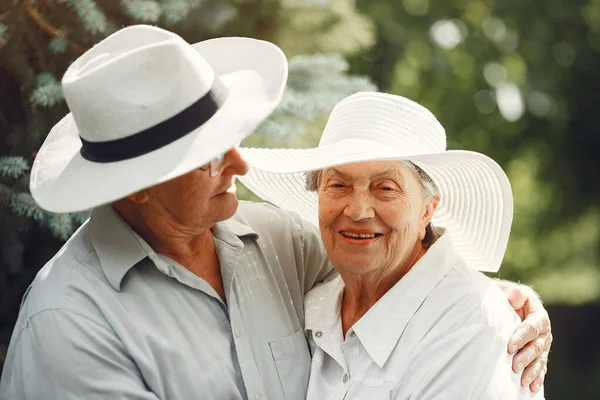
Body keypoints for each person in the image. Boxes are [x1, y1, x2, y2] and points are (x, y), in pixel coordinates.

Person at [0, 26, 550, 400]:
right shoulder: (70, 326)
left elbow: (397, 275)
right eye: (211, 156)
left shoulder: (278, 242)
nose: (240, 162)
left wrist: (495, 302)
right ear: (140, 185)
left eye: (232, 138)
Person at [237, 92, 548, 398]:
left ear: (428, 209)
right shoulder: (315, 299)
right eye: (338, 185)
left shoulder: (469, 324)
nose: (358, 210)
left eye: (385, 188)